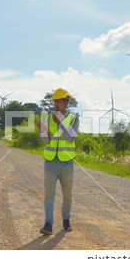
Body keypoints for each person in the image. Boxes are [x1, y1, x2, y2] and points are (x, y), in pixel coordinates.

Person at [35, 88, 79, 235]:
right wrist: (42, 130)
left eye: (58, 101)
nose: (56, 104)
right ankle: (48, 224)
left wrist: (60, 122)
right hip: (50, 162)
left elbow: (71, 138)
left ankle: (66, 219)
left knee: (67, 195)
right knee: (49, 194)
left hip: (66, 162)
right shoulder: (48, 119)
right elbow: (46, 141)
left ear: (66, 102)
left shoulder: (74, 119)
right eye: (54, 101)